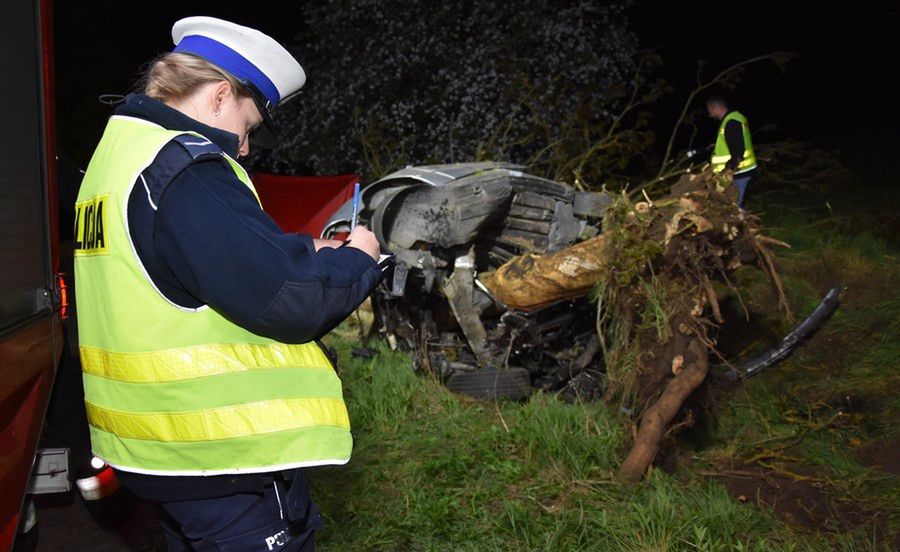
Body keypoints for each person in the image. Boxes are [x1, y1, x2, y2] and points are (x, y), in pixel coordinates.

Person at [73, 16, 383, 551]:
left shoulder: (117, 158)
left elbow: (181, 266)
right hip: (227, 464)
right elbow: (295, 302)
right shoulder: (186, 168)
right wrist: (360, 258)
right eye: (250, 123)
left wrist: (305, 250)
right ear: (219, 96)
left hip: (160, 452)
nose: (244, 147)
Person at [706, 95, 758, 207]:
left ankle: (743, 223)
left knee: (734, 208)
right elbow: (732, 142)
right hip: (740, 171)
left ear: (716, 108)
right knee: (733, 206)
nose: (710, 114)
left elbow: (738, 150)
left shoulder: (731, 122)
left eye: (710, 111)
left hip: (739, 172)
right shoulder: (734, 118)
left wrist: (727, 171)